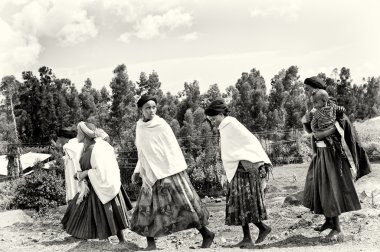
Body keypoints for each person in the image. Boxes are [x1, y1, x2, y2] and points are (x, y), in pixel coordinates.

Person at [130, 94, 214, 250]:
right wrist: (137, 171)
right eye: (147, 107)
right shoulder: (140, 127)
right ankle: (151, 243)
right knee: (146, 207)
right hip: (150, 174)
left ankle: (206, 233)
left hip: (168, 170)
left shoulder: (161, 124)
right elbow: (143, 152)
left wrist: (165, 168)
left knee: (184, 205)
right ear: (141, 109)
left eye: (154, 107)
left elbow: (170, 149)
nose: (151, 110)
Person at [204, 99, 272, 248]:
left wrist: (257, 163)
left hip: (245, 171)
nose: (213, 123)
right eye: (210, 121)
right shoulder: (225, 126)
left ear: (221, 114)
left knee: (246, 204)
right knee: (239, 204)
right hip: (236, 170)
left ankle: (262, 229)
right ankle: (248, 236)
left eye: (214, 119)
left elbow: (250, 142)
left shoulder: (230, 124)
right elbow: (228, 151)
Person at [302, 77, 362, 240]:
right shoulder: (315, 105)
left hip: (331, 154)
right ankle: (329, 221)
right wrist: (306, 122)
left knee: (331, 188)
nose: (306, 92)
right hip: (320, 154)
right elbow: (311, 129)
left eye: (308, 89)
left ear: (316, 89)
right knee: (320, 187)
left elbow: (339, 126)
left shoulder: (330, 105)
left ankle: (337, 228)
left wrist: (321, 133)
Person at [61, 122, 132, 243]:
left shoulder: (97, 149)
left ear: (84, 135)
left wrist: (86, 173)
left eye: (79, 132)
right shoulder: (83, 148)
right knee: (77, 209)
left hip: (101, 185)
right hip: (90, 186)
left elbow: (102, 170)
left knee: (109, 212)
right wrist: (79, 174)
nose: (77, 134)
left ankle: (121, 239)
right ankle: (80, 234)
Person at [59, 127, 83, 203]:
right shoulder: (81, 145)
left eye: (60, 138)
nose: (59, 141)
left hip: (74, 186)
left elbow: (71, 170)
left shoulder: (69, 148)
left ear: (64, 138)